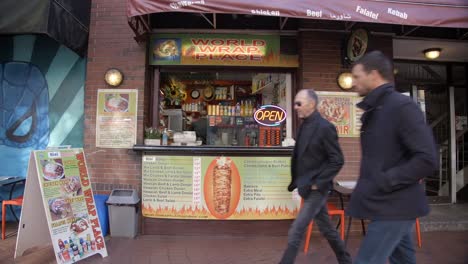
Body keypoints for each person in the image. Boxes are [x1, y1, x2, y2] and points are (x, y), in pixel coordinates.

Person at [346, 50, 437, 264]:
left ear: (374, 75)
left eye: (357, 77)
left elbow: (427, 158)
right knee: (404, 260)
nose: (353, 83)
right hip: (387, 205)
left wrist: (385, 181)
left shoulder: (401, 107)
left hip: (395, 205)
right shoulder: (377, 108)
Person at [280, 89, 352, 264]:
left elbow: (337, 160)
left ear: (311, 104)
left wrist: (318, 182)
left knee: (296, 230)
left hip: (317, 190)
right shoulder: (304, 125)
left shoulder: (325, 128)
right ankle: (346, 260)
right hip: (305, 187)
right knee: (328, 230)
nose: (295, 107)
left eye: (299, 103)